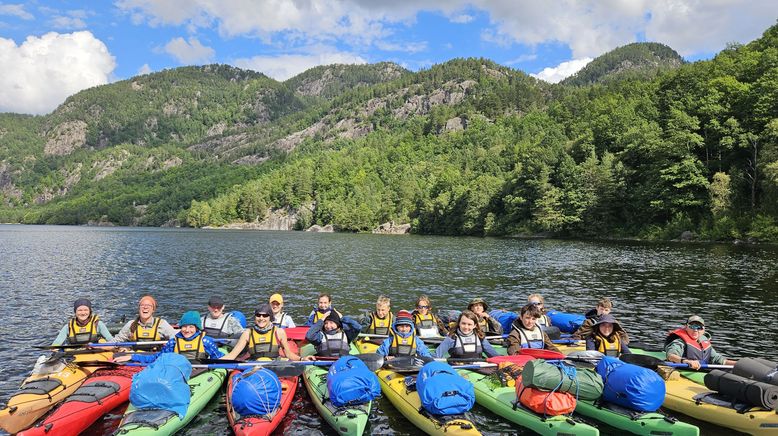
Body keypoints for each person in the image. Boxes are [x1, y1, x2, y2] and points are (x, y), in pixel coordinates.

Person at [115, 311, 224, 363]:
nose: (187, 330)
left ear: (197, 328)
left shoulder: (206, 341)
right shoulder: (173, 342)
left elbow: (218, 358)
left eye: (191, 327)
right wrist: (132, 357)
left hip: (200, 372)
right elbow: (157, 358)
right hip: (177, 372)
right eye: (184, 327)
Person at [223, 304, 300, 361]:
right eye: (258, 315)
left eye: (265, 315)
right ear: (255, 317)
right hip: (254, 366)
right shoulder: (247, 333)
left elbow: (288, 354)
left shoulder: (279, 332)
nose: (261, 318)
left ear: (270, 317)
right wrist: (214, 362)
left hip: (274, 366)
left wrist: (302, 359)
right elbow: (232, 355)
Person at [665, 315, 736, 370]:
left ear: (703, 330)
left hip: (703, 370)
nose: (695, 330)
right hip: (685, 369)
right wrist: (687, 361)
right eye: (692, 326)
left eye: (699, 327)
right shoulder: (679, 342)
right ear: (686, 327)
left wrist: (737, 364)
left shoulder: (704, 341)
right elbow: (671, 356)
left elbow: (718, 360)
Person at [435, 310, 500, 359]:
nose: (466, 327)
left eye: (469, 324)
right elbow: (436, 356)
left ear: (474, 325)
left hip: (479, 367)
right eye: (463, 323)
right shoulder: (452, 338)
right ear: (459, 324)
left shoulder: (480, 337)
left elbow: (494, 355)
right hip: (458, 368)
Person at [113, 295, 177, 343]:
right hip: (134, 356)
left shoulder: (162, 324)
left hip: (156, 357)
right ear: (139, 309)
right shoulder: (131, 324)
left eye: (149, 305)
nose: (145, 307)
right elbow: (117, 340)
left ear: (153, 310)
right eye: (142, 305)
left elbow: (174, 339)